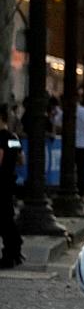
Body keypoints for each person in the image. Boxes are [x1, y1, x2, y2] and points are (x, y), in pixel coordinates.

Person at [0, 107, 21, 268]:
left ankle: (10, 252)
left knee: (5, 219)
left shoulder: (1, 138)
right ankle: (14, 250)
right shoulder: (13, 137)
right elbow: (21, 159)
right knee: (7, 217)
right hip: (9, 182)